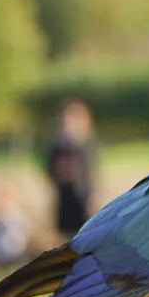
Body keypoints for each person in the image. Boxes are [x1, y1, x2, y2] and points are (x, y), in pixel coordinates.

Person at [45, 99, 98, 239]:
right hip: (65, 197)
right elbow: (50, 169)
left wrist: (91, 195)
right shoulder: (58, 145)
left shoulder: (86, 144)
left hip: (82, 197)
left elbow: (90, 172)